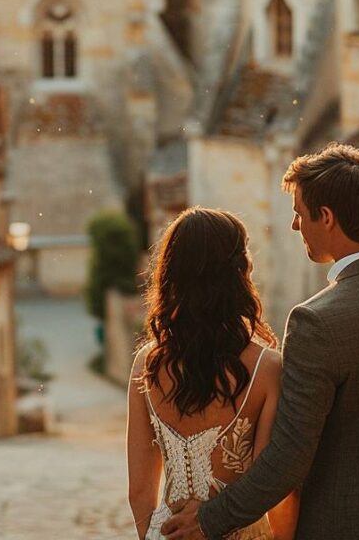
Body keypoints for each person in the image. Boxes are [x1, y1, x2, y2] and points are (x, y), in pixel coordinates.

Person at [161, 143, 359, 540]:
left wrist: (210, 518)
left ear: (327, 217)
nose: (295, 227)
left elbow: (289, 457)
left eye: (299, 214)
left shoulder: (316, 321)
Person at [127, 208, 299, 540]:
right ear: (239, 274)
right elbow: (269, 483)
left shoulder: (145, 364)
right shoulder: (267, 368)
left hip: (170, 532)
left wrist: (151, 535)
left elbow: (139, 490)